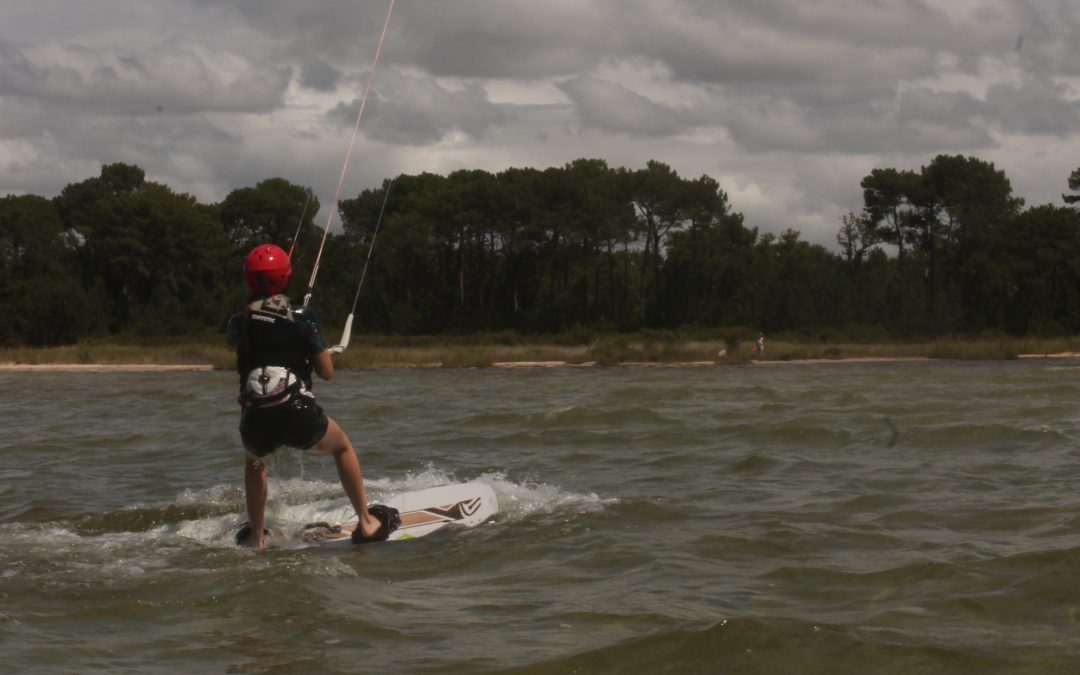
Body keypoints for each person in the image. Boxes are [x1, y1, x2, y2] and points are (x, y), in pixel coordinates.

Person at [227, 243, 397, 549]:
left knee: (255, 461)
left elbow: (249, 342)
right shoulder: (303, 316)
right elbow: (326, 372)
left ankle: (256, 537)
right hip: (295, 411)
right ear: (284, 277)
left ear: (248, 279)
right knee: (342, 446)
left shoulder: (237, 321)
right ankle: (367, 523)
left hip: (255, 419)